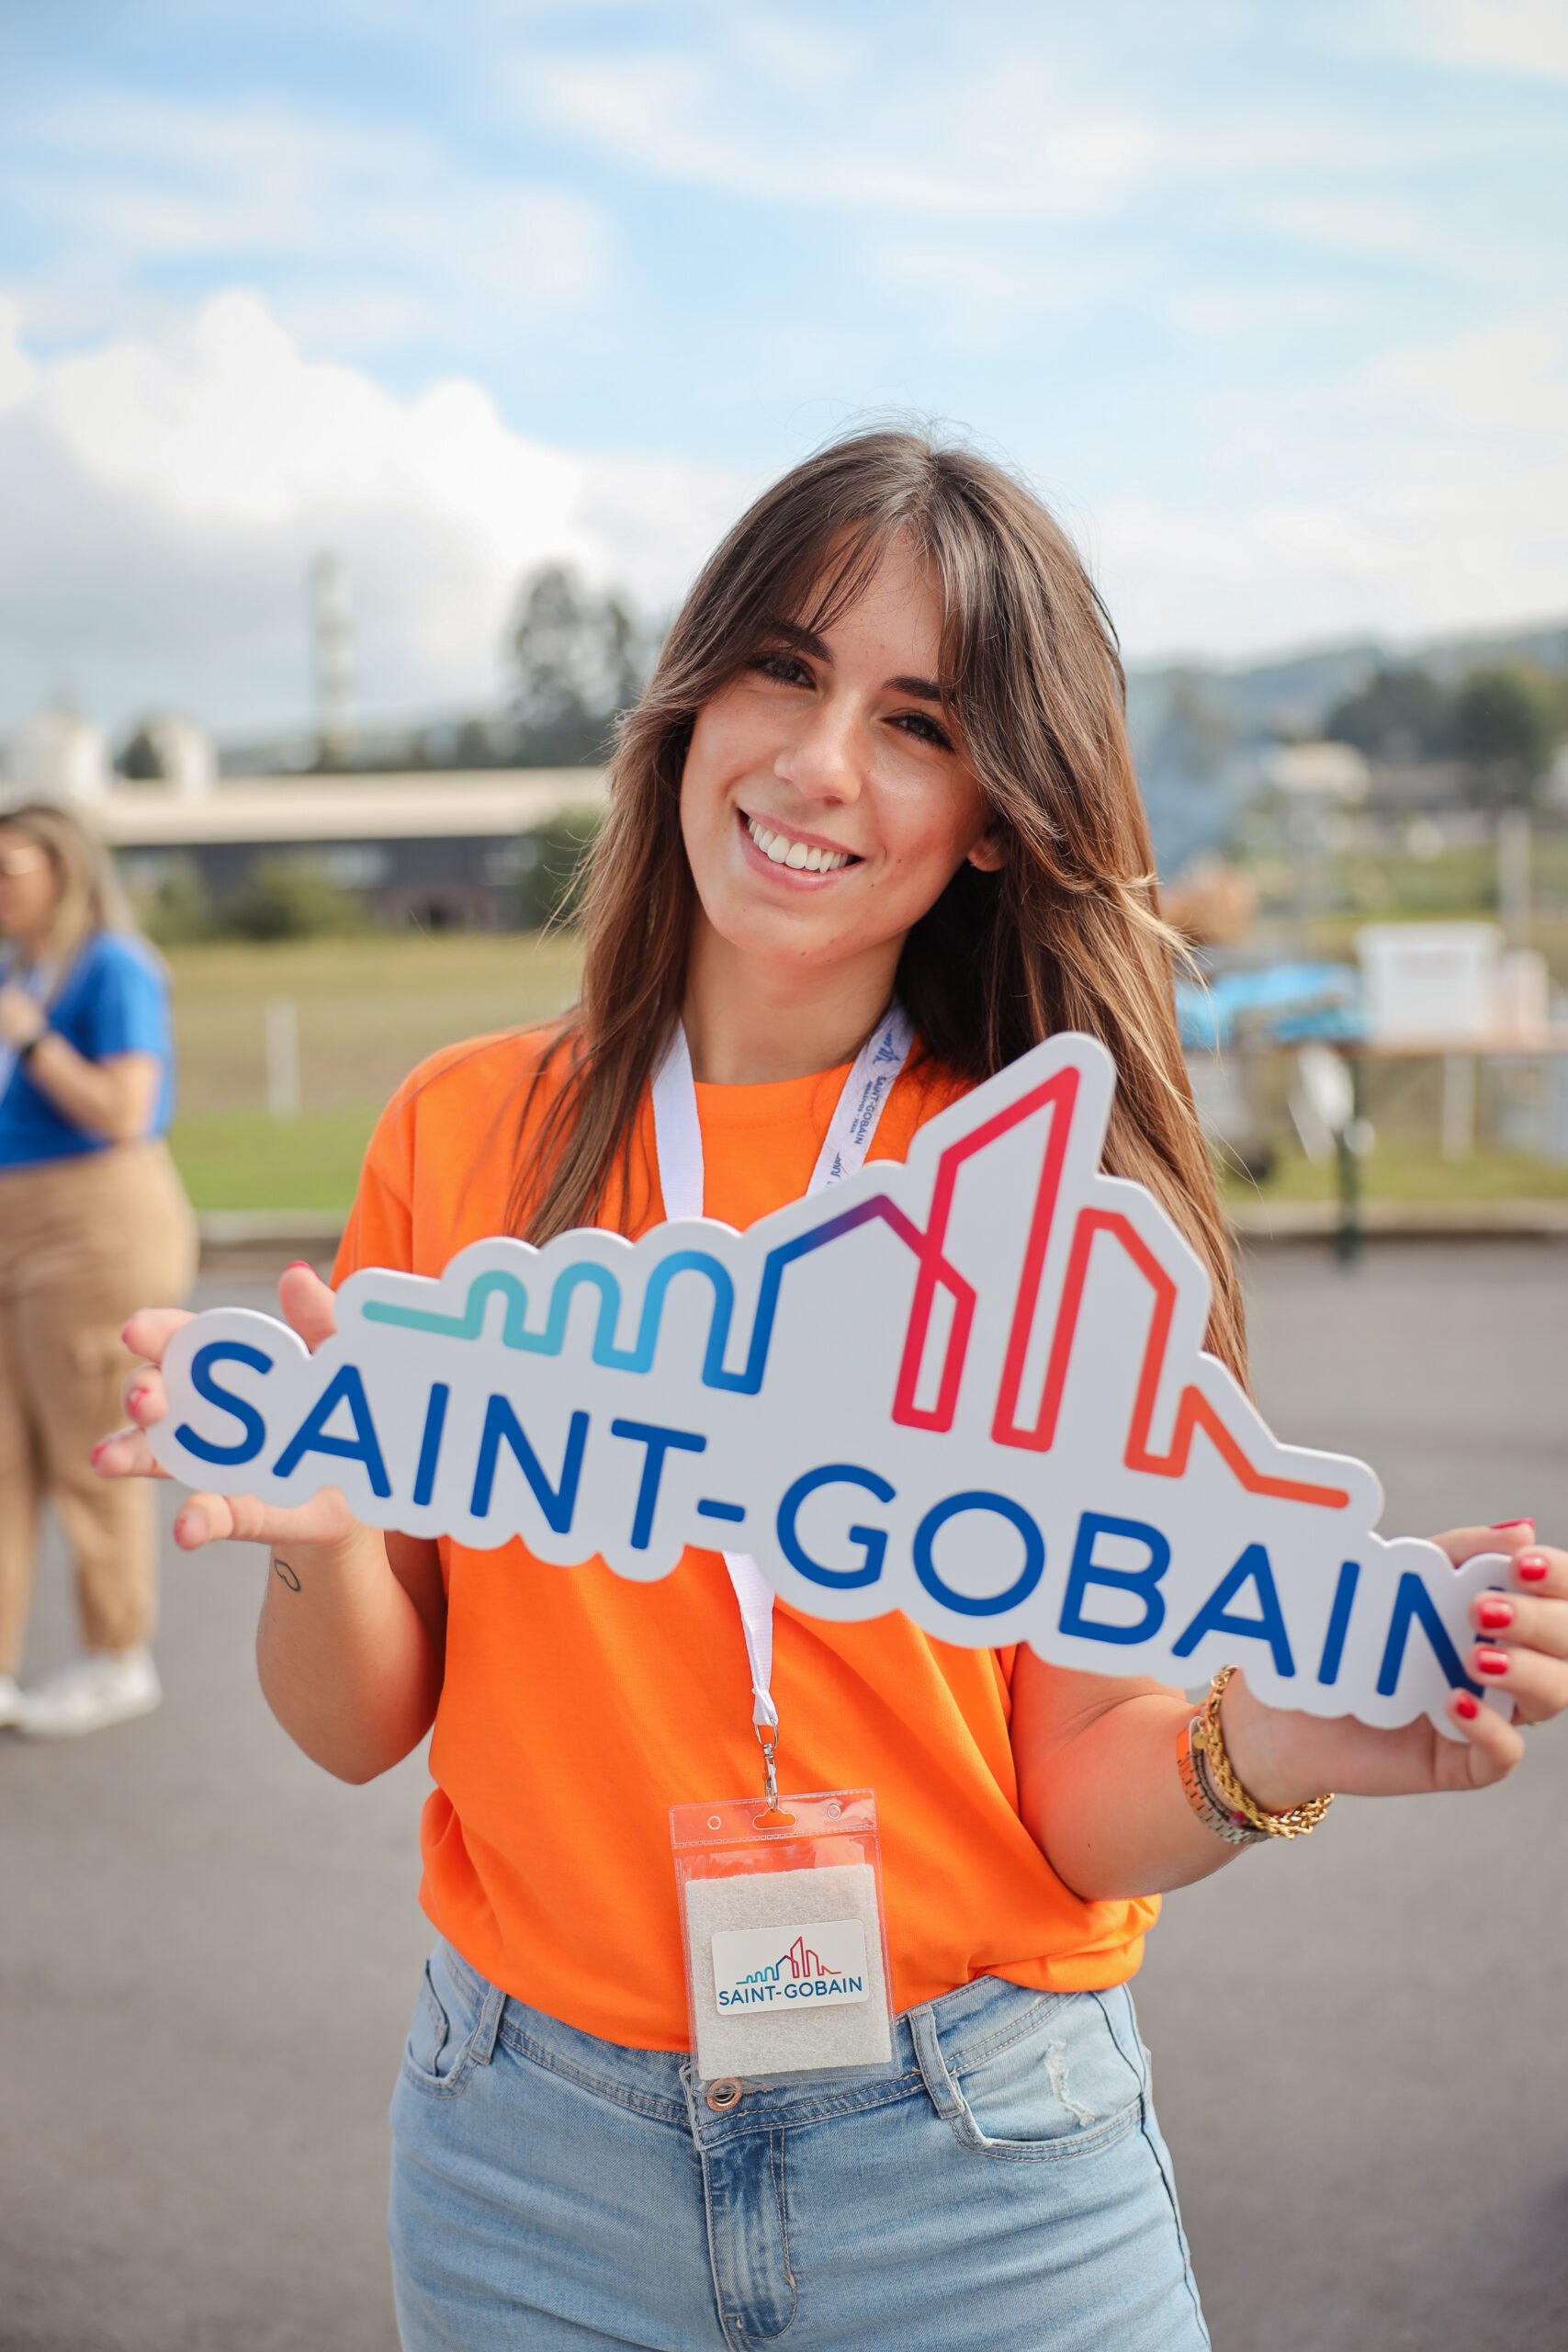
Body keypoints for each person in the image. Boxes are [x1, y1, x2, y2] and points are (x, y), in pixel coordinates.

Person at [99, 433, 1567, 2351]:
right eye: (781, 671)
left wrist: (1265, 1744)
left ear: (992, 813)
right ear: (689, 699)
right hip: (530, 2163)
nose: (815, 763)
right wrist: (324, 1540)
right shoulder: (462, 1137)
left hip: (979, 2167)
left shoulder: (1052, 1199)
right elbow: (359, 1725)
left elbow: (1074, 1797)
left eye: (915, 722)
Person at [0, 801, 197, 1737]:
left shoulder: (112, 966)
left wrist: (31, 1036)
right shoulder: (15, 967)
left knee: (90, 1442)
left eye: (10, 866)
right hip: (14, 1217)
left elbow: (124, 1109)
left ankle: (117, 1656)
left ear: (63, 870)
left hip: (92, 1224)